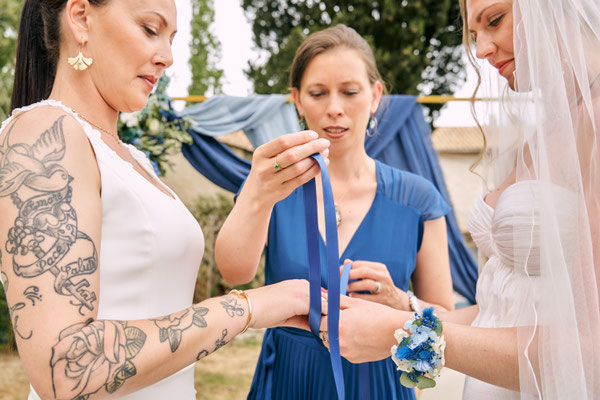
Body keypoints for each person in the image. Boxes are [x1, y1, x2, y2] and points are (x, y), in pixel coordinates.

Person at [0, 1, 330, 399]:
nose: (168, 58)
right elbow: (64, 367)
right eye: (150, 29)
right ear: (81, 18)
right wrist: (250, 308)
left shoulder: (134, 159)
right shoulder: (42, 135)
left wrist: (259, 194)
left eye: (172, 39)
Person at [323, 0, 600, 398]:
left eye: (495, 21)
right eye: (474, 35)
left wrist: (400, 335)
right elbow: (503, 305)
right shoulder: (546, 132)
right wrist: (404, 308)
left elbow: (589, 352)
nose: (482, 50)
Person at [215, 24, 455, 399]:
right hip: (288, 382)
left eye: (350, 92)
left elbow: (446, 318)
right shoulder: (273, 187)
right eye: (317, 93)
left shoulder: (417, 198)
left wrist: (402, 303)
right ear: (296, 99)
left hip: (380, 384)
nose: (334, 109)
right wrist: (257, 195)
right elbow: (234, 271)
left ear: (375, 96)